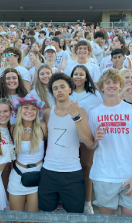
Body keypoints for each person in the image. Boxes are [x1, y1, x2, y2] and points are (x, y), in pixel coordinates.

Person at [88, 68, 132, 216]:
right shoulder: (94, 113)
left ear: (121, 86)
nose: (111, 85)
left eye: (115, 82)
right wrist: (95, 140)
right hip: (104, 175)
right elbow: (91, 146)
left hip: (129, 175)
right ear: (101, 87)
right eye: (107, 83)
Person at [38, 73, 94, 213]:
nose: (59, 90)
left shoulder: (80, 111)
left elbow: (88, 142)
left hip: (72, 172)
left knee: (74, 215)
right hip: (48, 171)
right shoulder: (47, 113)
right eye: (55, 88)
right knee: (47, 213)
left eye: (62, 87)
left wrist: (75, 116)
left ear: (70, 89)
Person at [69, 65, 103, 214]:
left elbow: (99, 114)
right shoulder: (67, 93)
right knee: (70, 169)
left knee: (87, 168)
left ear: (86, 77)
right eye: (75, 74)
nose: (78, 77)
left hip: (86, 136)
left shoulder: (94, 94)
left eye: (81, 74)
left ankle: (87, 203)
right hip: (68, 137)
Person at [8, 94, 47, 216]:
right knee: (16, 218)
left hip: (38, 177)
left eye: (33, 108)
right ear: (20, 110)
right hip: (17, 177)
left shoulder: (43, 127)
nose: (29, 111)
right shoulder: (13, 129)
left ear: (37, 112)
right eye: (26, 107)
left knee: (33, 219)